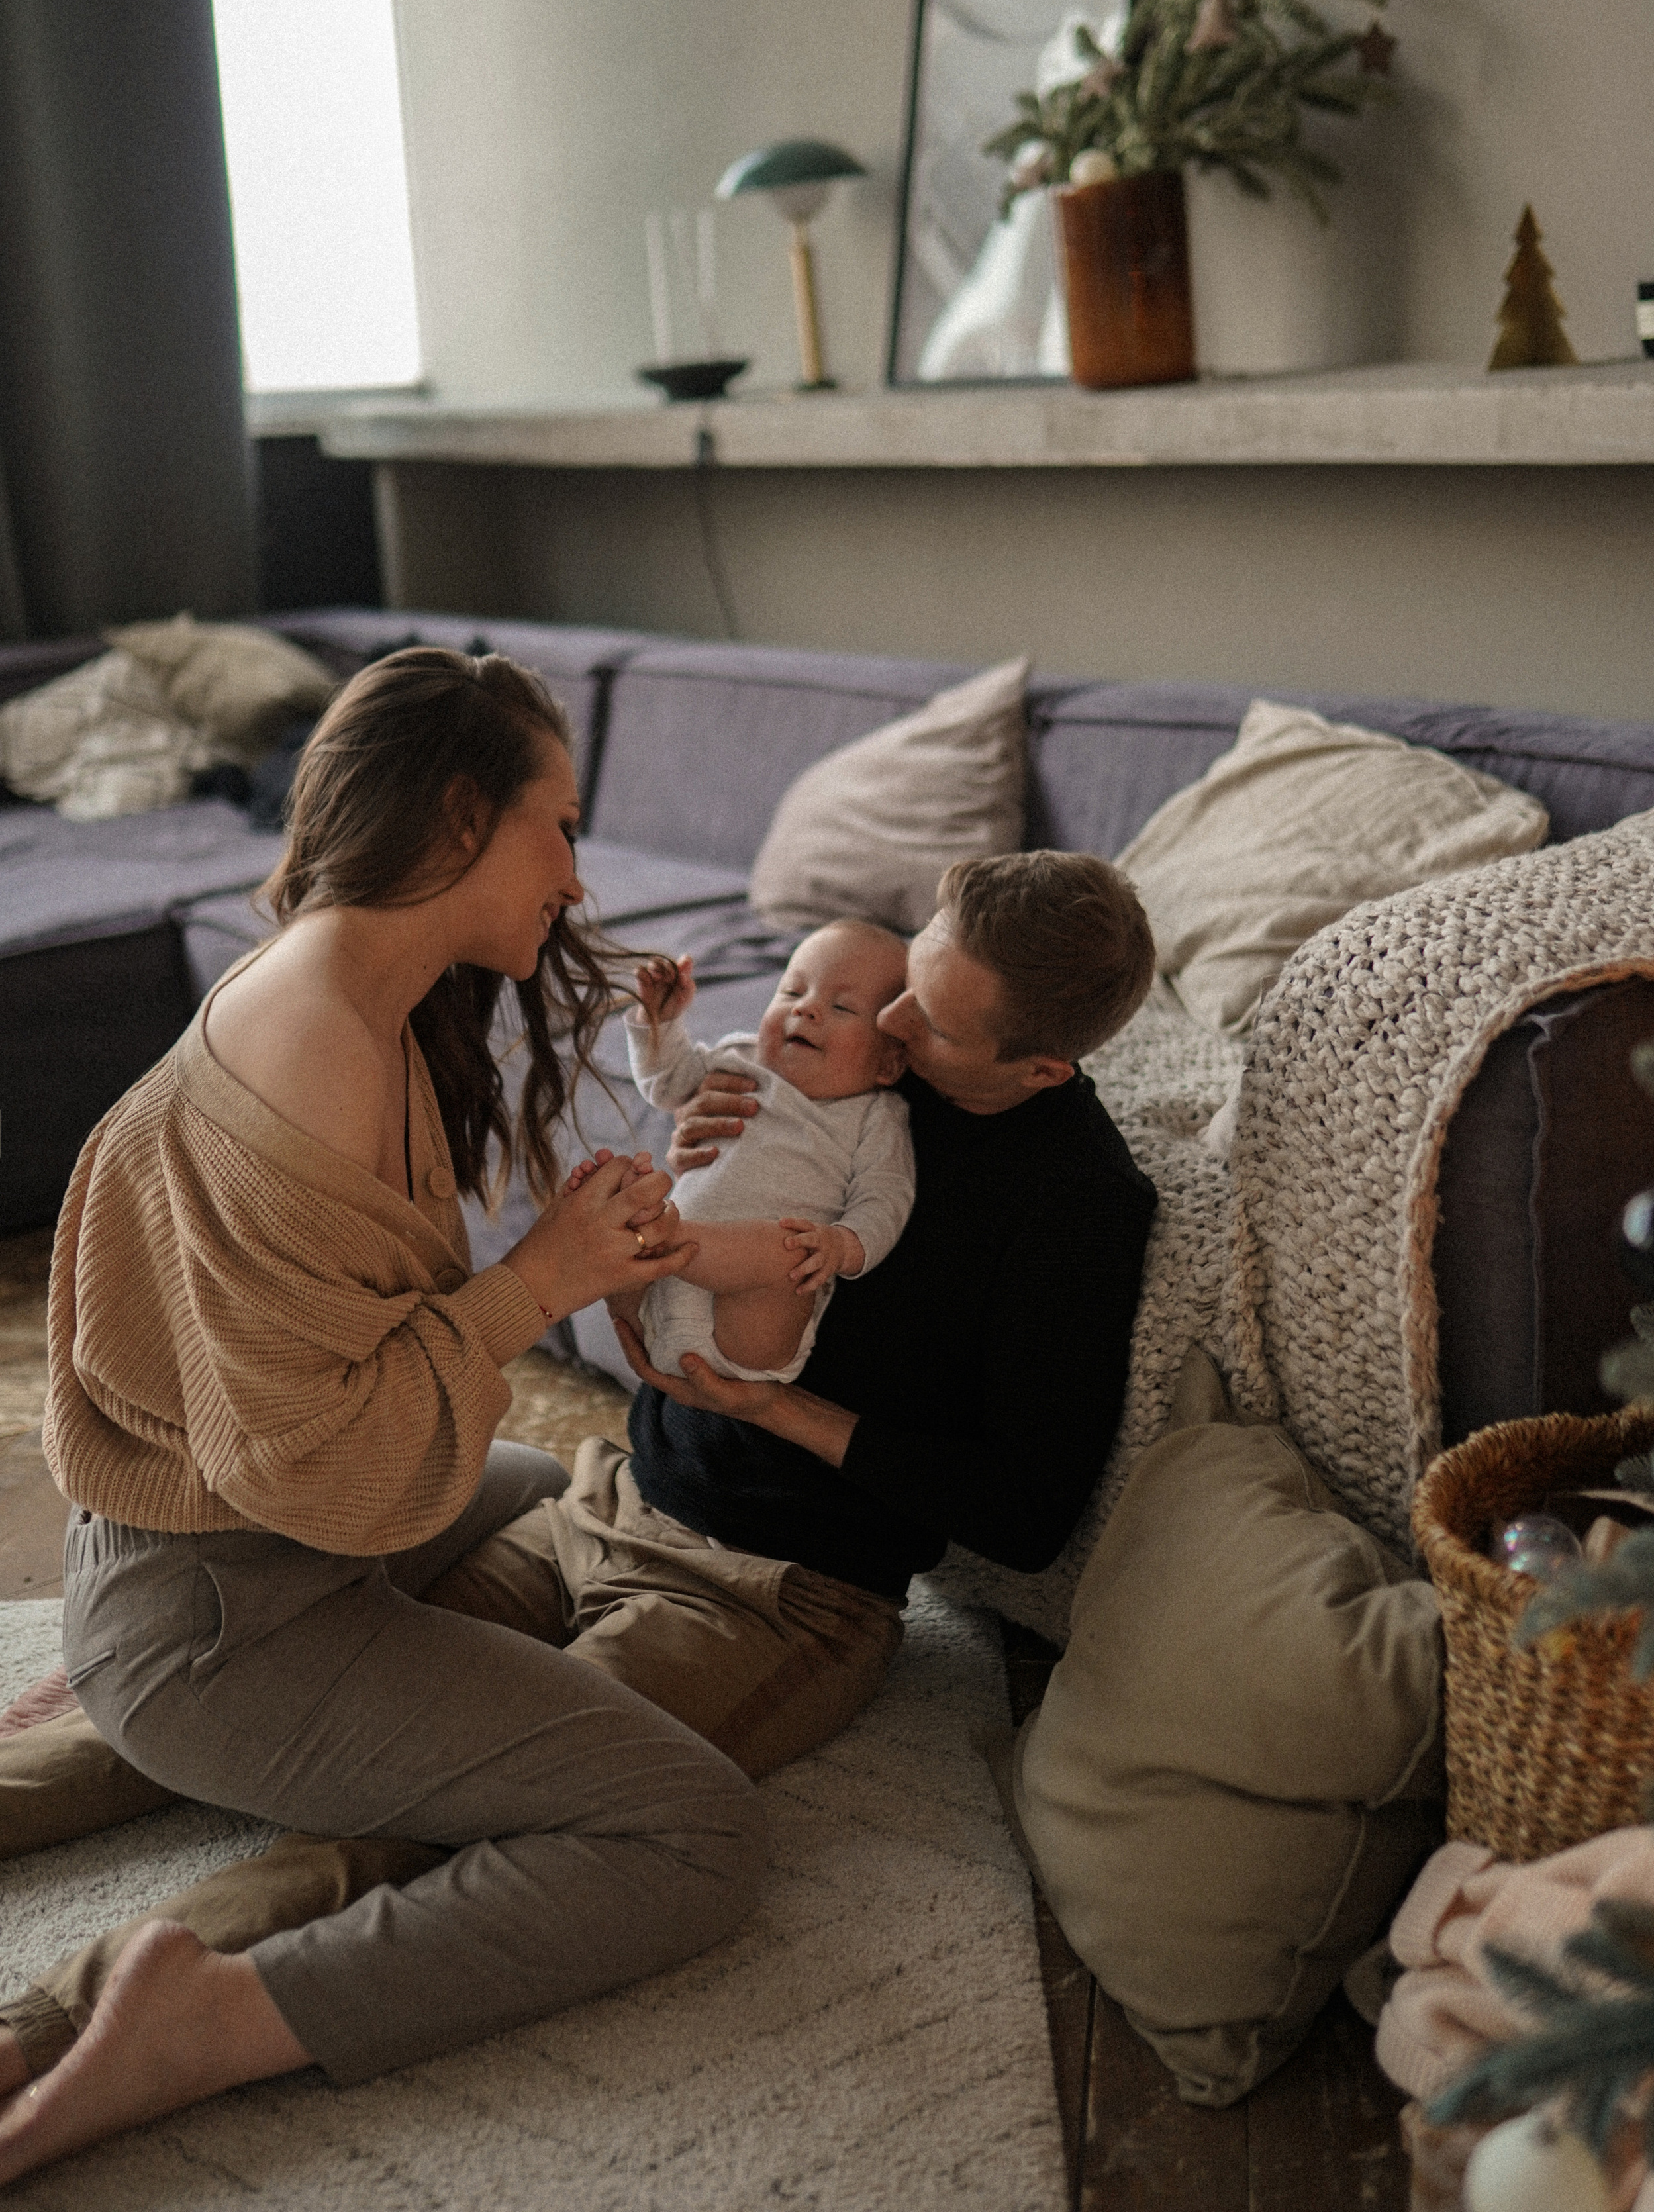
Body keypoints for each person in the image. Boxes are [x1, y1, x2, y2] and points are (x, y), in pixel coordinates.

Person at [0, 845, 1159, 2117]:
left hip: (773, 1593)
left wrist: (784, 1411)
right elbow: (713, 1197)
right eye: (901, 983)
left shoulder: (1080, 1207)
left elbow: (1026, 1513)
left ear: (1042, 1066)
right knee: (321, 1688)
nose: (881, 1024)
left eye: (926, 1020)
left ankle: (51, 2030)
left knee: (434, 1820)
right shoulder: (863, 1061)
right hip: (606, 1495)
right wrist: (692, 1150)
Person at [0, 648, 767, 2185]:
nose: (573, 868)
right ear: (454, 819)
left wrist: (584, 1222)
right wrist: (541, 1277)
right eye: (556, 825)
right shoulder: (315, 1049)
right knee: (692, 1829)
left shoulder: (349, 979)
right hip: (229, 1605)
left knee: (543, 1473)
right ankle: (212, 2015)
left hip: (207, 1555)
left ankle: (124, 1730)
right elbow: (328, 1462)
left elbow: (349, 1346)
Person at [621, 920, 913, 1383]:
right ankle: (632, 1245)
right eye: (792, 992)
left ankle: (662, 1233)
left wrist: (843, 1245)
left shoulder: (874, 1116)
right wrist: (658, 1022)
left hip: (751, 1332)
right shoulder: (739, 1057)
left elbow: (886, 1198)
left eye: (841, 1007)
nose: (808, 1010)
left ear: (889, 1063)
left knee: (789, 1251)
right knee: (611, 1190)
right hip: (658, 1307)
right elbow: (668, 1083)